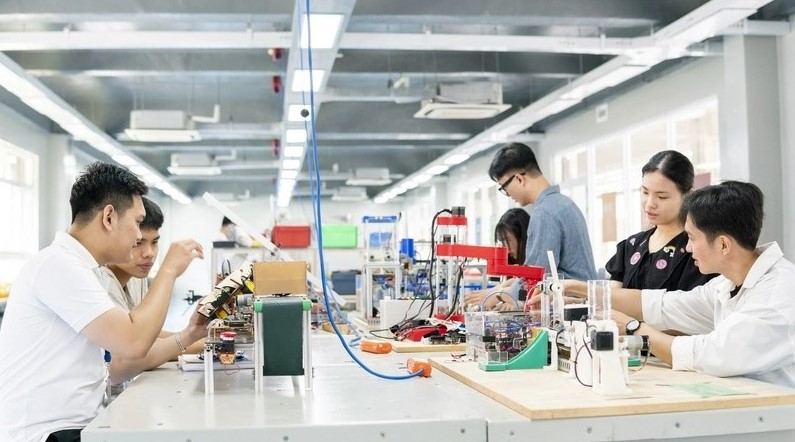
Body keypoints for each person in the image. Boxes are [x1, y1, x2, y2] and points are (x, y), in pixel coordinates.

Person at [0, 162, 203, 442]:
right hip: (50, 434)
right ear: (109, 217)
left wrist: (191, 334)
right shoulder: (58, 265)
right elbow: (133, 342)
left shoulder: (83, 269)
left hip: (78, 426)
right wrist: (168, 271)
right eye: (136, 222)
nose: (137, 237)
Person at [608, 181, 795, 387]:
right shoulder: (726, 284)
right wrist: (579, 291)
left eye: (691, 238)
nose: (687, 248)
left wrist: (632, 327)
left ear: (723, 244)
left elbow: (709, 355)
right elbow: (665, 305)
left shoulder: (775, 297)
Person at [562, 150, 718, 297]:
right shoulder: (631, 246)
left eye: (662, 196)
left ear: (688, 196)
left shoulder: (697, 249)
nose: (649, 204)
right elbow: (612, 301)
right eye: (645, 192)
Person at [465, 143, 597, 310]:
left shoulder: (545, 212)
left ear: (520, 179)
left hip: (570, 311)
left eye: (504, 188)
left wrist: (497, 296)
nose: (508, 194)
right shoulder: (565, 204)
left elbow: (535, 277)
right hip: (581, 306)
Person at [102, 196, 206, 385]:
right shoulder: (103, 284)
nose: (149, 253)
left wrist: (201, 336)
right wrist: (191, 337)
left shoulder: (135, 277)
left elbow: (147, 335)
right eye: (138, 242)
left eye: (154, 242)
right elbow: (133, 352)